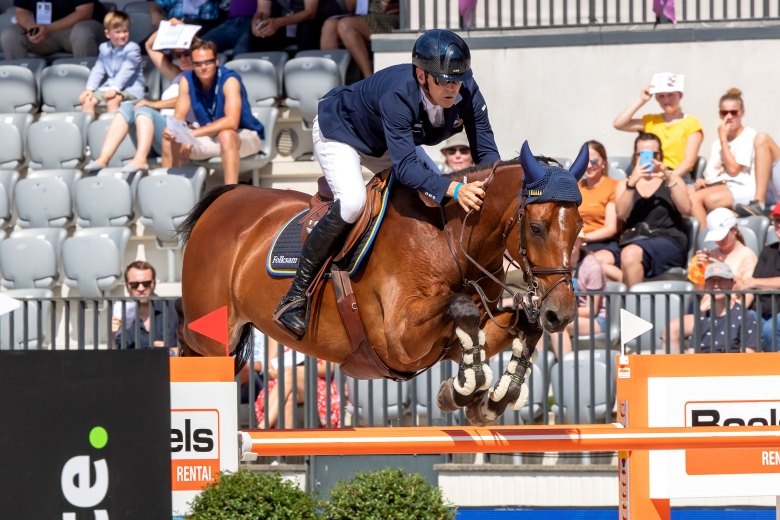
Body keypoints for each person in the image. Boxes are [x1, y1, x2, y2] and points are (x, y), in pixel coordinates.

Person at [273, 29, 500, 340]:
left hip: (388, 141)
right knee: (352, 203)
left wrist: (496, 189)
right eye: (442, 80)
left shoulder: (467, 91)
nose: (452, 87)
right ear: (421, 76)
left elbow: (487, 154)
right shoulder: (399, 94)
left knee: (434, 196)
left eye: (457, 80)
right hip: (342, 132)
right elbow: (406, 168)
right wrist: (455, 189)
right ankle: (295, 296)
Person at [84, 21, 196, 174]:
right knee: (126, 107)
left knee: (145, 108)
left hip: (177, 132)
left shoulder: (200, 78)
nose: (183, 58)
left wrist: (186, 30)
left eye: (187, 54)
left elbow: (188, 99)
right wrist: (166, 27)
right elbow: (150, 46)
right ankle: (103, 159)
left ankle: (140, 159)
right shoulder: (176, 74)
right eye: (178, 55)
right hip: (159, 133)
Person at [163, 39, 265, 185]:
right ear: (192, 64)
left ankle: (231, 193)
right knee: (170, 140)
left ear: (216, 61)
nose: (203, 67)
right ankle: (172, 188)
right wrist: (174, 131)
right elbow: (179, 116)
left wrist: (191, 134)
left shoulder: (229, 79)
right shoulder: (187, 79)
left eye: (208, 62)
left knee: (226, 134)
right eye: (198, 64)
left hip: (243, 136)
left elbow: (231, 122)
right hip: (209, 136)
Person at [666, 207, 757, 351]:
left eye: (723, 235)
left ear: (734, 229)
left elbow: (749, 289)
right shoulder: (711, 254)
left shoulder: (747, 255)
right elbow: (701, 292)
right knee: (671, 329)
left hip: (731, 313)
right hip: (706, 313)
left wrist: (719, 266)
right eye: (716, 237)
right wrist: (699, 269)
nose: (719, 240)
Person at [610, 132, 691, 288]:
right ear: (635, 157)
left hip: (668, 239)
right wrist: (632, 183)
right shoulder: (625, 183)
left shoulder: (673, 180)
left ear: (660, 155)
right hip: (635, 238)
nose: (649, 159)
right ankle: (629, 293)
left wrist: (668, 178)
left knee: (630, 254)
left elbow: (686, 209)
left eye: (654, 154)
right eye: (643, 155)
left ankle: (634, 301)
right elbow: (621, 213)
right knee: (598, 259)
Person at [689, 89, 757, 227]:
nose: (729, 116)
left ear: (742, 113)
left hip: (741, 185)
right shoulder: (717, 143)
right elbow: (712, 175)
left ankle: (703, 237)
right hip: (721, 184)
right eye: (724, 113)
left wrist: (723, 139)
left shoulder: (748, 135)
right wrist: (701, 181)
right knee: (683, 194)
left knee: (695, 199)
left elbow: (734, 170)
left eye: (734, 112)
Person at [613, 75, 703, 179]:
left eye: (670, 95)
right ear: (656, 98)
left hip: (676, 175)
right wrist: (642, 100)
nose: (666, 100)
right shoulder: (650, 120)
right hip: (648, 173)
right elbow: (618, 124)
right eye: (661, 96)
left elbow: (689, 162)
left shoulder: (691, 123)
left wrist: (666, 179)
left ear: (680, 95)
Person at [539, 238, 607, 358]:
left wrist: (560, 312)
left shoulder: (592, 267)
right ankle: (538, 365)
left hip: (596, 321)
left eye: (574, 237)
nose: (567, 241)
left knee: (555, 325)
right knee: (536, 324)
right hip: (566, 316)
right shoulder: (557, 265)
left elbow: (591, 311)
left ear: (581, 241)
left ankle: (565, 366)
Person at [255, 341, 341, 428]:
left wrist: (299, 369)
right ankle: (278, 436)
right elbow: (270, 371)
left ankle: (262, 428)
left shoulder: (322, 335)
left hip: (314, 383)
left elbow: (326, 369)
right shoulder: (277, 334)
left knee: (290, 375)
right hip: (280, 383)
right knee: (290, 397)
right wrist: (283, 371)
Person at [79, 12, 144, 121]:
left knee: (112, 100)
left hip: (130, 89)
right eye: (117, 32)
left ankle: (111, 128)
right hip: (110, 87)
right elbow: (98, 70)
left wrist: (114, 88)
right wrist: (89, 89)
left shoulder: (133, 48)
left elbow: (126, 71)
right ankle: (89, 129)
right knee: (88, 101)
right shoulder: (104, 48)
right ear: (107, 34)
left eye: (125, 31)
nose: (122, 35)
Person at [1, 0, 106, 59]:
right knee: (9, 36)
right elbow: (21, 12)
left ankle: (86, 80)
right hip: (45, 34)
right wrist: (31, 27)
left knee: (82, 32)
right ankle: (20, 82)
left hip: (76, 30)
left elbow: (85, 13)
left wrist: (49, 28)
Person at [689, 262, 757, 354]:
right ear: (706, 286)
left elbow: (748, 357)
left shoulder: (745, 317)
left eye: (722, 281)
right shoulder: (701, 317)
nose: (716, 285)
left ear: (733, 284)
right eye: (711, 281)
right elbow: (692, 352)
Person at [112, 261, 178, 351]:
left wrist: (172, 351)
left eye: (146, 283)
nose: (141, 288)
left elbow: (192, 346)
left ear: (154, 284)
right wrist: (111, 336)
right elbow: (118, 354)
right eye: (134, 284)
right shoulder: (125, 315)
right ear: (127, 286)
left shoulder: (175, 309)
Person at [741, 203, 780, 348]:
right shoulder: (768, 251)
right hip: (761, 310)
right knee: (739, 320)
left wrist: (755, 282)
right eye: (777, 221)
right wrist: (738, 311)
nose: (779, 225)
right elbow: (751, 286)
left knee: (771, 329)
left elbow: (754, 282)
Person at [579, 140, 619, 274]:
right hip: (576, 244)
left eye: (594, 161)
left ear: (604, 162)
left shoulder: (613, 186)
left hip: (603, 243)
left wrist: (582, 238)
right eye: (584, 161)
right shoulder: (576, 187)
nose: (589, 165)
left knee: (589, 265)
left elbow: (610, 228)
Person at [249, 0, 351, 52]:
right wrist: (257, 21)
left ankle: (308, 71)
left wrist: (278, 22)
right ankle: (262, 77)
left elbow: (310, 12)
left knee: (306, 28)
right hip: (291, 20)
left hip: (321, 17)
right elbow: (263, 11)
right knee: (259, 33)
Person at [150, 0, 222, 33]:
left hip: (203, 25)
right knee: (150, 44)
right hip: (175, 24)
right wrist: (154, 13)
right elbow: (156, 6)